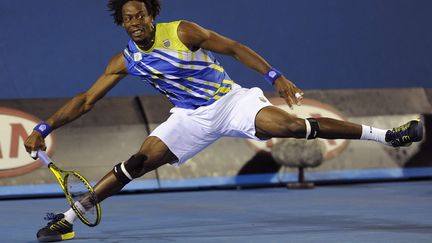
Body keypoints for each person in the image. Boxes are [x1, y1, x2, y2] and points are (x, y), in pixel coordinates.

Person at [24, 0, 424, 242]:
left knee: (289, 126)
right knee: (138, 163)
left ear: (151, 14)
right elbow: (85, 101)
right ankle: (69, 218)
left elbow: (232, 48)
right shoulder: (124, 61)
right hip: (189, 118)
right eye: (129, 18)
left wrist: (274, 76)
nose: (136, 23)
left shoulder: (182, 31)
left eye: (141, 15)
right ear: (122, 23)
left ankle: (388, 135)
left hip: (230, 102)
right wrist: (45, 128)